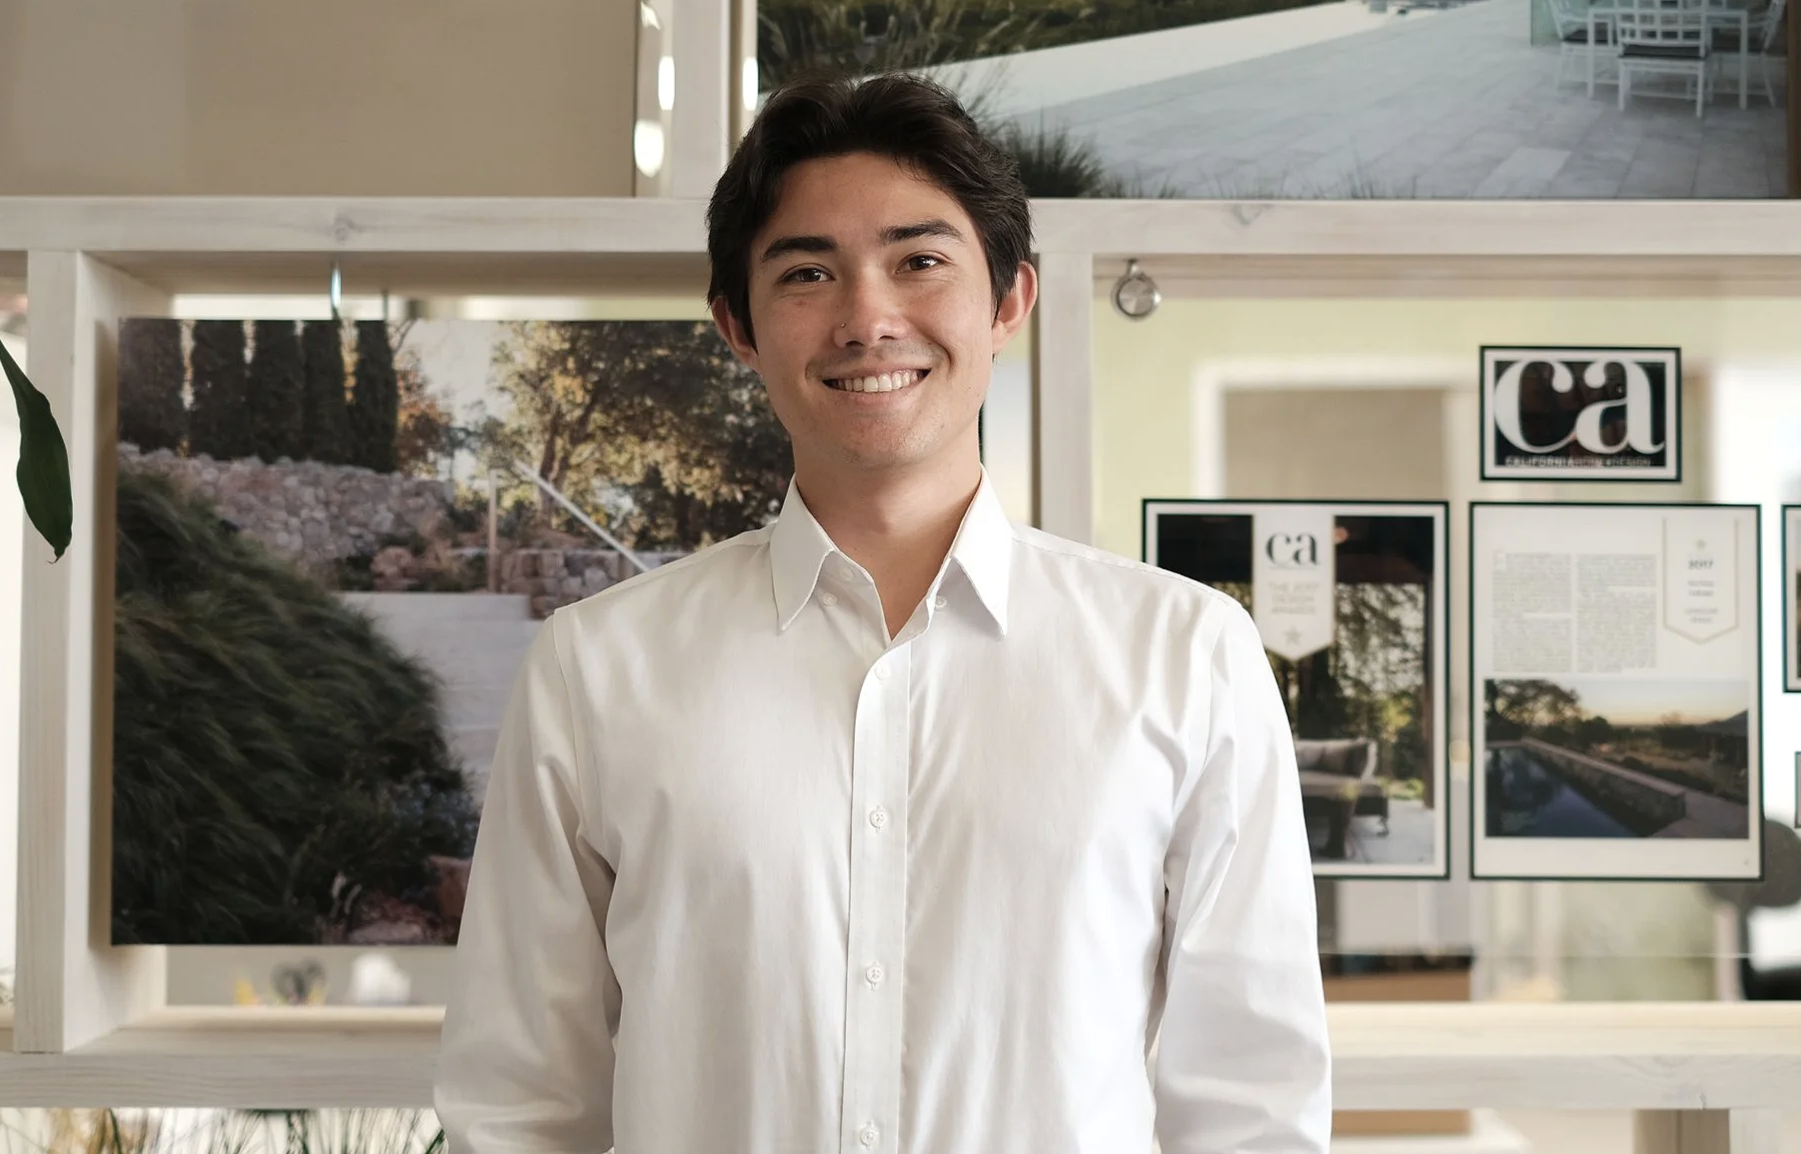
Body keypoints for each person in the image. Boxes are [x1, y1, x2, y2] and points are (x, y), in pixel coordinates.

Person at [434, 72, 1330, 1153]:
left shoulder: (1185, 656)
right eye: (808, 272)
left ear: (1007, 303)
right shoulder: (596, 669)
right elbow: (521, 1100)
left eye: (920, 261)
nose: (868, 318)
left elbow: (1252, 1101)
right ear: (737, 327)